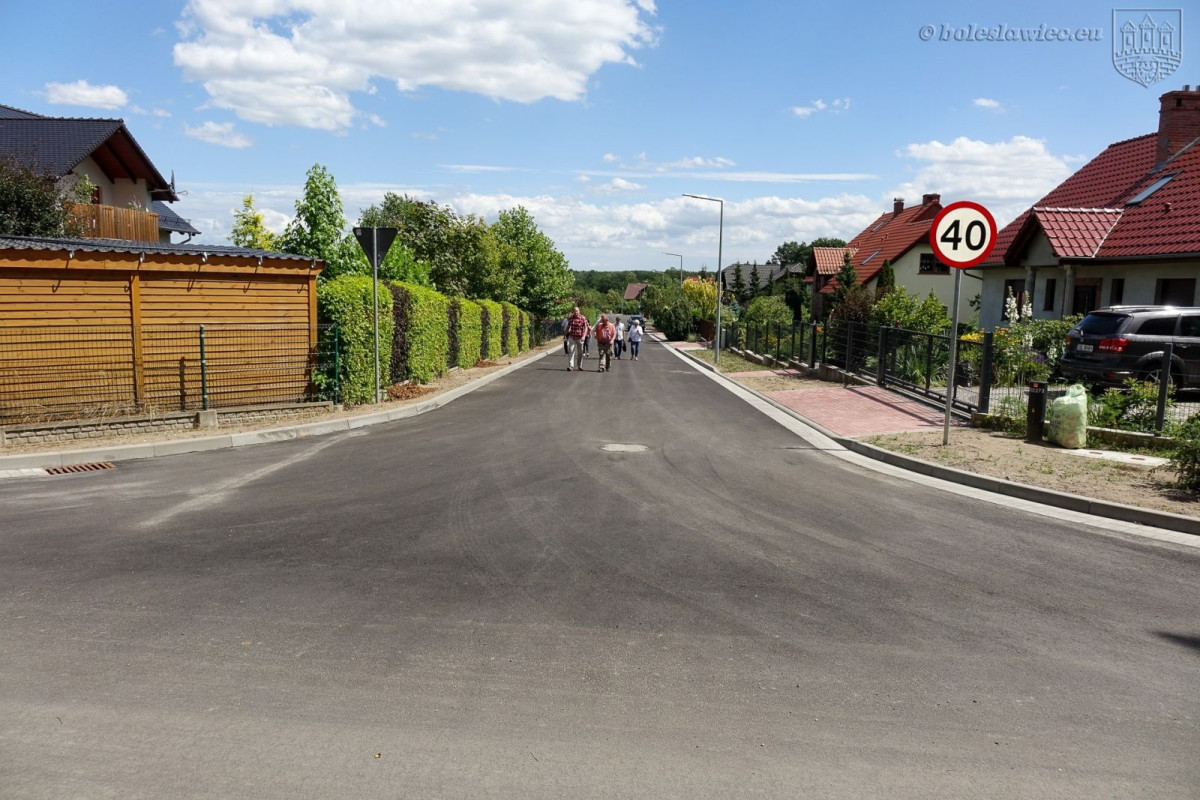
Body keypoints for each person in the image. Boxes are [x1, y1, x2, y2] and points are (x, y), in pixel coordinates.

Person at [564, 306, 589, 371]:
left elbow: (586, 327)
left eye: (577, 311)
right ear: (573, 311)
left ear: (579, 311)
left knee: (580, 352)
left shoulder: (582, 318)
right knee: (571, 351)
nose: (575, 312)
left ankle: (579, 365)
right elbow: (568, 326)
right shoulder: (571, 318)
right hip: (572, 337)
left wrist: (584, 336)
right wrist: (565, 334)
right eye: (574, 311)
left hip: (580, 338)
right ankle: (571, 366)